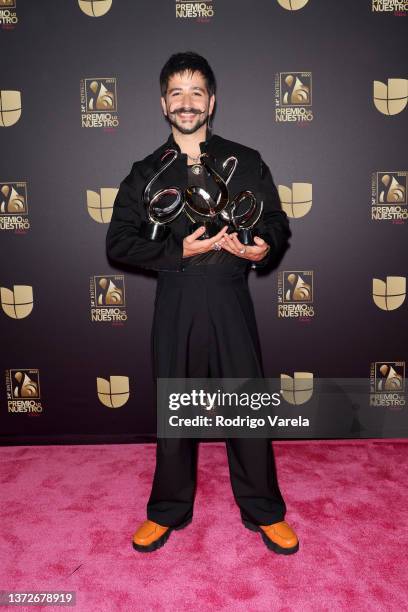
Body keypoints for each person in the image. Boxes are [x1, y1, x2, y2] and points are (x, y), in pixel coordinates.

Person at [106, 51, 299, 555]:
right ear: (163, 104)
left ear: (211, 101)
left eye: (196, 92)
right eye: (177, 93)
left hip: (231, 299)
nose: (187, 102)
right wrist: (176, 249)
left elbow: (277, 222)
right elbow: (119, 243)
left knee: (247, 411)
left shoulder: (247, 160)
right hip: (178, 300)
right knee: (177, 411)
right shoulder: (147, 172)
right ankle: (168, 509)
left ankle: (263, 509)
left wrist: (263, 247)